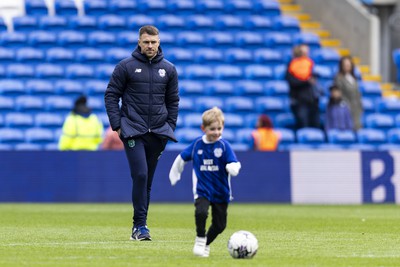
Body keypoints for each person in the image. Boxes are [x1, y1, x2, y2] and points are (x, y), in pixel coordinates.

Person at [104, 25, 179, 241]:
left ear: (159, 42)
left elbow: (173, 101)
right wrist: (118, 125)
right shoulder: (125, 67)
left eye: (153, 42)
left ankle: (141, 226)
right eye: (146, 42)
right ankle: (139, 226)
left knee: (147, 182)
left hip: (157, 133)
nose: (150, 46)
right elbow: (111, 96)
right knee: (140, 174)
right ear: (139, 41)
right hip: (132, 131)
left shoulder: (169, 69)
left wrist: (169, 128)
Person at [169, 107, 241, 257]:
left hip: (221, 192)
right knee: (201, 212)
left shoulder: (224, 146)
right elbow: (181, 158)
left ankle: (206, 243)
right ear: (203, 128)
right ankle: (200, 239)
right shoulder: (197, 145)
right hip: (202, 190)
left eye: (219, 128)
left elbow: (234, 162)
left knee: (220, 225)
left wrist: (233, 167)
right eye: (212, 129)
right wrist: (175, 173)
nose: (216, 132)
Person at [285, 44, 320, 129]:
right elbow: (292, 81)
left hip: (312, 101)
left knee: (315, 126)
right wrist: (306, 81)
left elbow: (315, 75)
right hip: (299, 102)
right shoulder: (291, 66)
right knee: (304, 125)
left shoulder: (309, 64)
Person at [334, 56, 363, 130]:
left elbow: (357, 93)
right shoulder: (339, 78)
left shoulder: (353, 78)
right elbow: (338, 94)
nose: (348, 66)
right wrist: (346, 105)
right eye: (345, 65)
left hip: (356, 109)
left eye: (349, 64)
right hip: (346, 108)